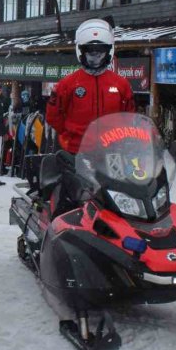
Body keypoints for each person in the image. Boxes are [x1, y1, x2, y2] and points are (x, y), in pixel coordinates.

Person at [44, 18, 135, 211]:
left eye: (99, 53)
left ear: (108, 52)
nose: (95, 58)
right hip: (78, 152)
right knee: (76, 199)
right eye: (90, 53)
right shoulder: (68, 84)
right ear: (81, 52)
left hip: (113, 153)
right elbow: (53, 116)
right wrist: (71, 134)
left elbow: (129, 117)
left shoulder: (121, 84)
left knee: (116, 198)